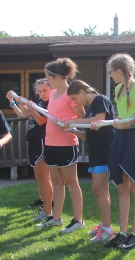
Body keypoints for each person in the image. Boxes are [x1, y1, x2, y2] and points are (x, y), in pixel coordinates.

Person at [99, 53, 135, 250]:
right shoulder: (117, 89)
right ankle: (122, 233)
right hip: (120, 138)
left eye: (111, 72)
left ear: (119, 71)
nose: (110, 75)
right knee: (121, 186)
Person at [35, 58, 86, 234]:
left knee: (71, 183)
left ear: (56, 76)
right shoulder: (53, 93)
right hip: (50, 143)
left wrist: (67, 123)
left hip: (66, 144)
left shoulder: (69, 94)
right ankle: (56, 218)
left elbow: (83, 117)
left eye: (48, 77)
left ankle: (78, 220)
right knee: (56, 183)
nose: (47, 81)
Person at [60, 80, 115, 243]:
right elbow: (89, 134)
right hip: (96, 152)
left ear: (83, 91)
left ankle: (107, 230)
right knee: (102, 190)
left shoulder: (100, 100)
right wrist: (73, 130)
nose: (76, 103)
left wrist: (73, 121)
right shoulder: (91, 108)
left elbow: (98, 120)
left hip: (105, 152)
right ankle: (105, 225)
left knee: (98, 189)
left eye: (75, 99)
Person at [6, 79, 53, 222]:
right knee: (38, 176)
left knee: (45, 177)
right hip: (33, 139)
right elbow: (23, 115)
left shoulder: (50, 103)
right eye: (39, 91)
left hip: (42, 139)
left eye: (45, 90)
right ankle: (42, 199)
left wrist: (31, 107)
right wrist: (13, 101)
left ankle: (48, 206)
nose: (42, 93)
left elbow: (41, 121)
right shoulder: (39, 102)